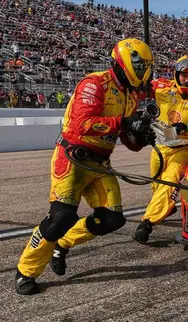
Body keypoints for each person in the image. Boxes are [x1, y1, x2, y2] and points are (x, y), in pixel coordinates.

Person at [15, 38, 156, 295]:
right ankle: (25, 271)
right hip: (72, 158)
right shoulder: (95, 83)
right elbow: (82, 123)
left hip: (101, 163)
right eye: (142, 65)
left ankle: (64, 244)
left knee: (112, 220)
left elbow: (128, 140)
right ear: (126, 62)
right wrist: (124, 123)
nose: (145, 70)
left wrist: (141, 136)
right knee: (61, 218)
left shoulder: (131, 94)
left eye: (147, 65)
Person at [133, 55, 188, 244]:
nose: (187, 80)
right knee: (156, 187)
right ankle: (167, 205)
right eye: (184, 75)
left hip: (184, 148)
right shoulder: (159, 86)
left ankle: (146, 224)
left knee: (170, 181)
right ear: (177, 74)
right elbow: (138, 92)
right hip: (159, 146)